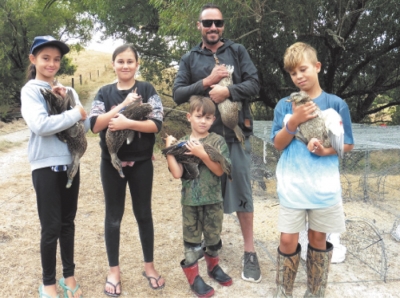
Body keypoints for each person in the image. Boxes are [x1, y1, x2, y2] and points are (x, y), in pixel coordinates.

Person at [173, 3, 262, 283]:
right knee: (202, 197)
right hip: (203, 141)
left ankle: (249, 252)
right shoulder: (190, 58)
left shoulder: (237, 51)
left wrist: (228, 90)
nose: (213, 27)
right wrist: (207, 81)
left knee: (242, 194)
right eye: (207, 23)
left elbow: (255, 85)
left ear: (223, 26)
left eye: (218, 23)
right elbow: (178, 94)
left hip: (235, 137)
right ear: (199, 26)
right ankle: (207, 252)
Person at [270, 42, 354, 297]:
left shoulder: (335, 104)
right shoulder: (285, 105)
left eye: (303, 69)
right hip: (293, 185)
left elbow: (346, 145)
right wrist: (294, 121)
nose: (299, 76)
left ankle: (315, 293)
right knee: (287, 240)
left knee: (318, 239)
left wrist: (324, 150)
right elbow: (278, 144)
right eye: (293, 73)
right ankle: (283, 292)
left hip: (323, 187)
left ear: (317, 67)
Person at [89, 44, 165, 296]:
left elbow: (156, 124)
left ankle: (150, 267)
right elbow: (96, 125)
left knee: (144, 214)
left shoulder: (147, 90)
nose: (125, 65)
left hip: (142, 162)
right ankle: (114, 271)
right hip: (112, 163)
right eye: (120, 61)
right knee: (113, 217)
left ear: (137, 64)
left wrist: (127, 122)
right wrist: (122, 105)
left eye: (130, 61)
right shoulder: (104, 92)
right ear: (113, 64)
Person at [21, 36, 87, 298]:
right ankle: (48, 282)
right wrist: (75, 113)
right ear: (33, 59)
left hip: (71, 164)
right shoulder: (31, 90)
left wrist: (77, 113)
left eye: (56, 59)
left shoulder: (69, 91)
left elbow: (81, 127)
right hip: (45, 167)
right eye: (46, 58)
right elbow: (40, 125)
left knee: (68, 223)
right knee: (51, 227)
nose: (51, 63)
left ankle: (68, 276)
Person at [165, 95, 232, 297]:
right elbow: (177, 173)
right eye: (199, 116)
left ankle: (213, 268)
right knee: (192, 241)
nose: (203, 121)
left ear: (213, 120)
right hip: (190, 202)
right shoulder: (182, 143)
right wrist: (169, 150)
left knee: (213, 237)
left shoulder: (217, 141)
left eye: (209, 117)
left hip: (213, 200)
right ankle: (194, 278)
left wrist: (203, 154)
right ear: (189, 117)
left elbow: (220, 171)